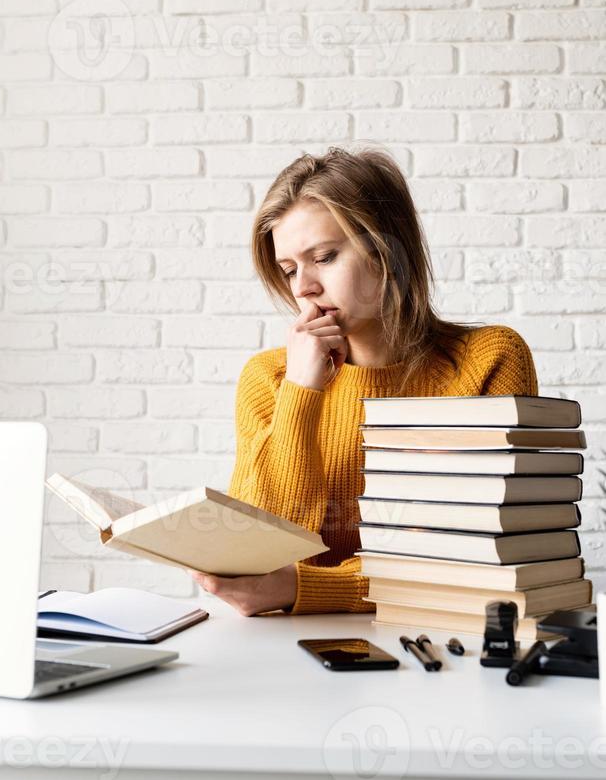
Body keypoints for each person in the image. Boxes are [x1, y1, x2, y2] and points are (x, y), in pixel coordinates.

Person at [188, 147, 538, 616]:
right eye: (289, 269)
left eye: (325, 257)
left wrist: (303, 590)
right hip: (280, 651)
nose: (302, 287)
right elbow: (258, 557)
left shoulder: (489, 360)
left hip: (439, 639)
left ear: (388, 251)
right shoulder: (271, 378)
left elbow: (467, 556)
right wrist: (301, 393)